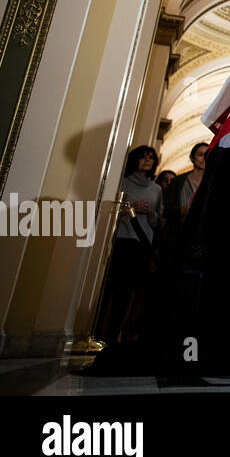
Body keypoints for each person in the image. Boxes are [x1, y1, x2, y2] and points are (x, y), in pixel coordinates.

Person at [97, 146, 163, 343]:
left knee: (132, 290)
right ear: (135, 159)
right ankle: (103, 331)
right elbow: (111, 209)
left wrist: (151, 212)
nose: (147, 161)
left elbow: (158, 220)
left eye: (151, 158)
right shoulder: (122, 182)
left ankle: (120, 334)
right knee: (114, 287)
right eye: (143, 157)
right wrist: (131, 209)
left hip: (142, 243)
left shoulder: (156, 188)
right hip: (122, 240)